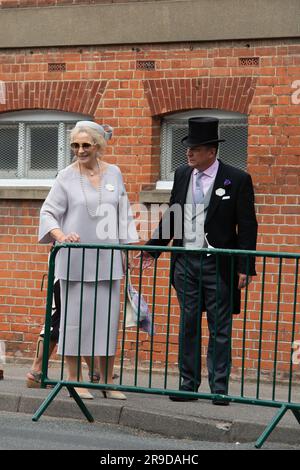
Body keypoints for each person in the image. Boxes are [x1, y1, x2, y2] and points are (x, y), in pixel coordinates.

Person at [141, 117, 258, 404]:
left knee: (220, 327)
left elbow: (247, 225)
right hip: (186, 263)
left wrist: (245, 266)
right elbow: (173, 215)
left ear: (211, 152)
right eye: (188, 148)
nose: (188, 153)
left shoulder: (237, 179)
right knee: (188, 323)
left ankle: (219, 388)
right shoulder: (182, 175)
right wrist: (152, 249)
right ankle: (187, 385)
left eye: (195, 148)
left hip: (218, 264)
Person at [38, 120, 139, 400]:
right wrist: (61, 235)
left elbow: (123, 214)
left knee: (106, 323)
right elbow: (48, 213)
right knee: (73, 322)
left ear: (98, 146)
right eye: (75, 145)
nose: (80, 150)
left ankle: (107, 381)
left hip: (108, 261)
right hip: (74, 261)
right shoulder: (65, 177)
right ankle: (75, 380)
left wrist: (127, 250)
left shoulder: (115, 173)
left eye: (85, 145)